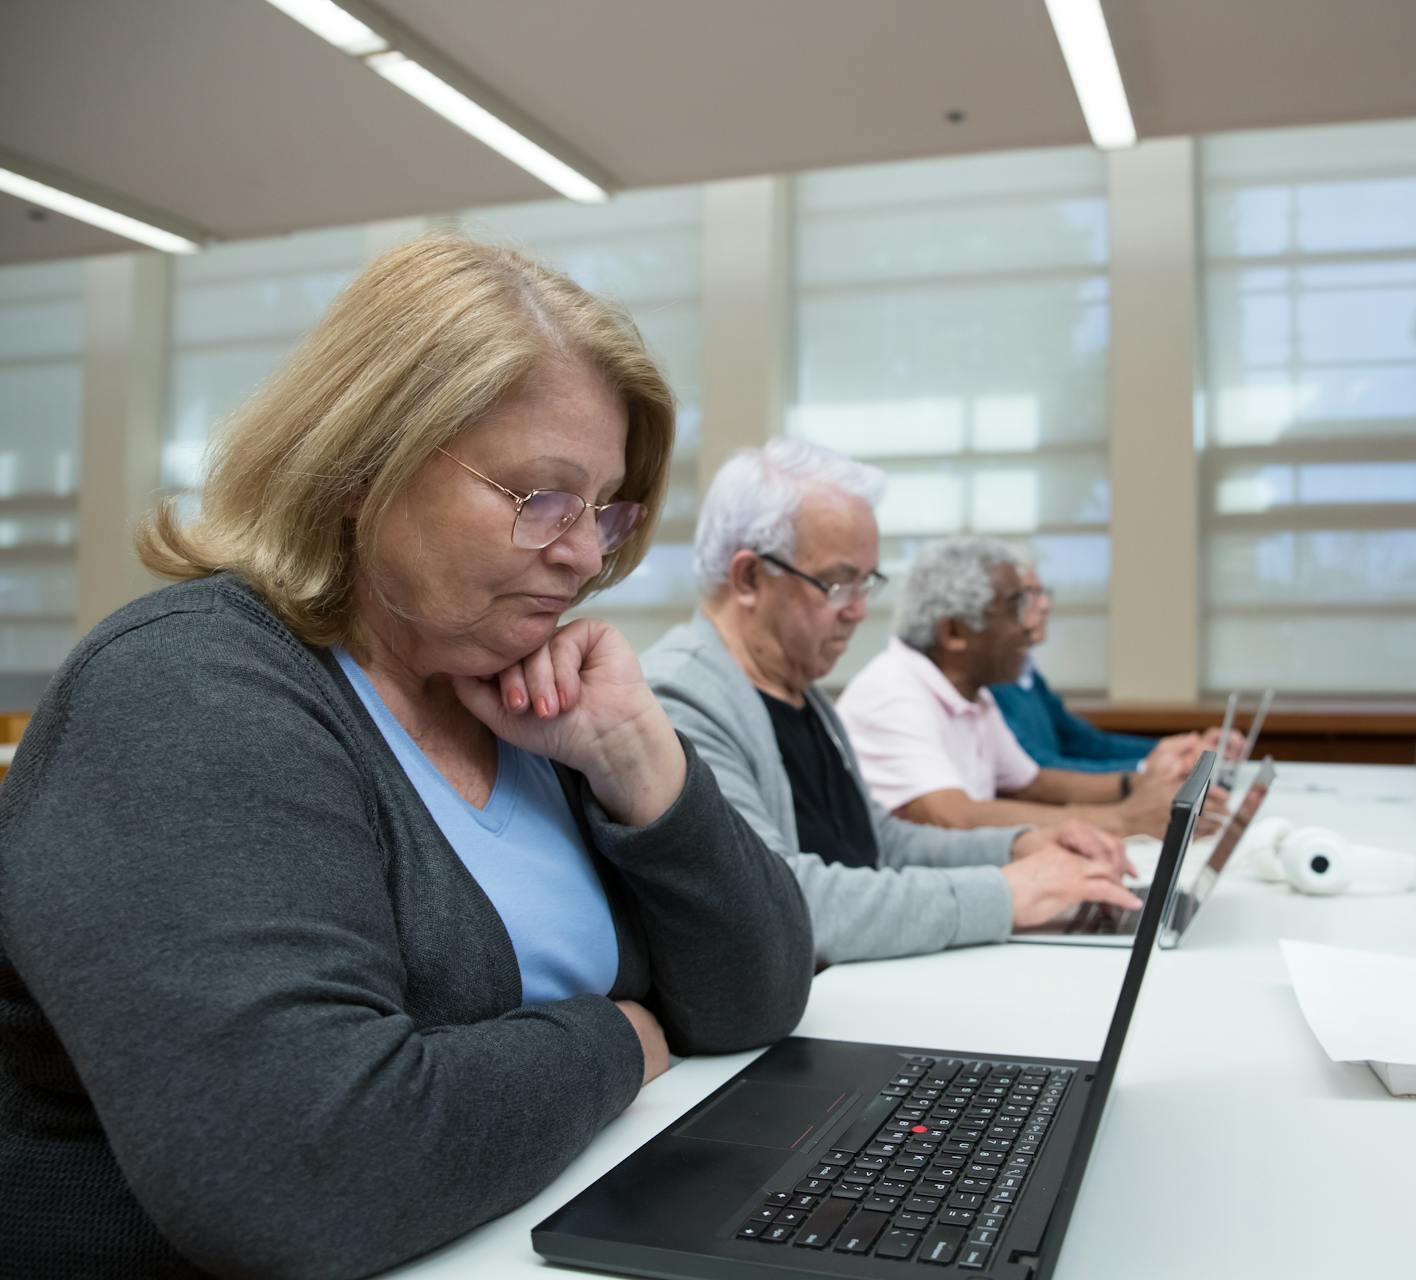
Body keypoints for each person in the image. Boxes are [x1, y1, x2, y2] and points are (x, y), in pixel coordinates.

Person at [0, 236, 813, 1279]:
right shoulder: (184, 689)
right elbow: (298, 1171)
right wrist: (617, 1041)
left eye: (606, 508)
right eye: (540, 497)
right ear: (359, 466)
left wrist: (638, 761)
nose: (584, 553)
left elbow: (757, 993)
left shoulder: (527, 693)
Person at [644, 440, 1142, 966]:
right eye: (838, 583)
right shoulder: (681, 702)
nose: (859, 612)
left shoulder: (802, 693)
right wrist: (1005, 893)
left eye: (867, 583)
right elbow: (782, 899)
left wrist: (1016, 847)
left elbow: (878, 842)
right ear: (749, 578)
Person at [837, 537, 1227, 834]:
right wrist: (1125, 819)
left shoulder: (973, 693)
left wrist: (1143, 783)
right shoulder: (892, 692)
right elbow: (951, 816)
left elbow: (1032, 783)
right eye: (1016, 608)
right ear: (955, 631)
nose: (1030, 626)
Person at [988, 563, 1237, 777]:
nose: (1044, 605)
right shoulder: (991, 678)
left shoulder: (1026, 673)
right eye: (1030, 594)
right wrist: (1146, 768)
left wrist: (1178, 749)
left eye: (1042, 592)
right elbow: (1034, 771)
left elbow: (1087, 743)